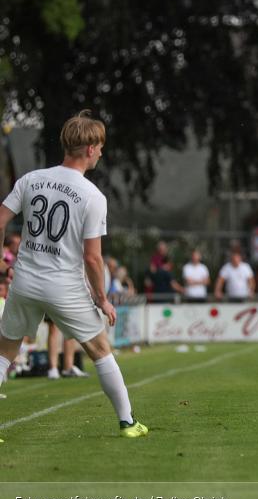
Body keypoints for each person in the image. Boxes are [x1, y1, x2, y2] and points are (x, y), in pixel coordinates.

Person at [0, 111, 148, 437]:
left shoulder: (31, 179)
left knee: (4, 353)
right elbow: (93, 259)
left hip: (24, 280)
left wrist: (2, 263)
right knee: (100, 350)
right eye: (101, 147)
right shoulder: (93, 196)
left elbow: (0, 221)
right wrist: (103, 300)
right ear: (91, 149)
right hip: (63, 286)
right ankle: (127, 422)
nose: (102, 153)